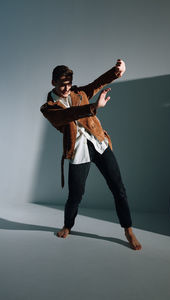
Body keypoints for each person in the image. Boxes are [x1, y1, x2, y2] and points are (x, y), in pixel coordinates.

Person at [40, 59, 142, 250]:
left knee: (118, 188)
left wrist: (116, 71)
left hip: (99, 144)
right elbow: (67, 115)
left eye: (69, 84)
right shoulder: (49, 108)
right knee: (76, 195)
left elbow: (97, 84)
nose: (66, 88)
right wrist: (94, 107)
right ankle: (67, 226)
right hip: (78, 151)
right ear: (53, 82)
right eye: (62, 84)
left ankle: (128, 229)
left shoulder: (78, 93)